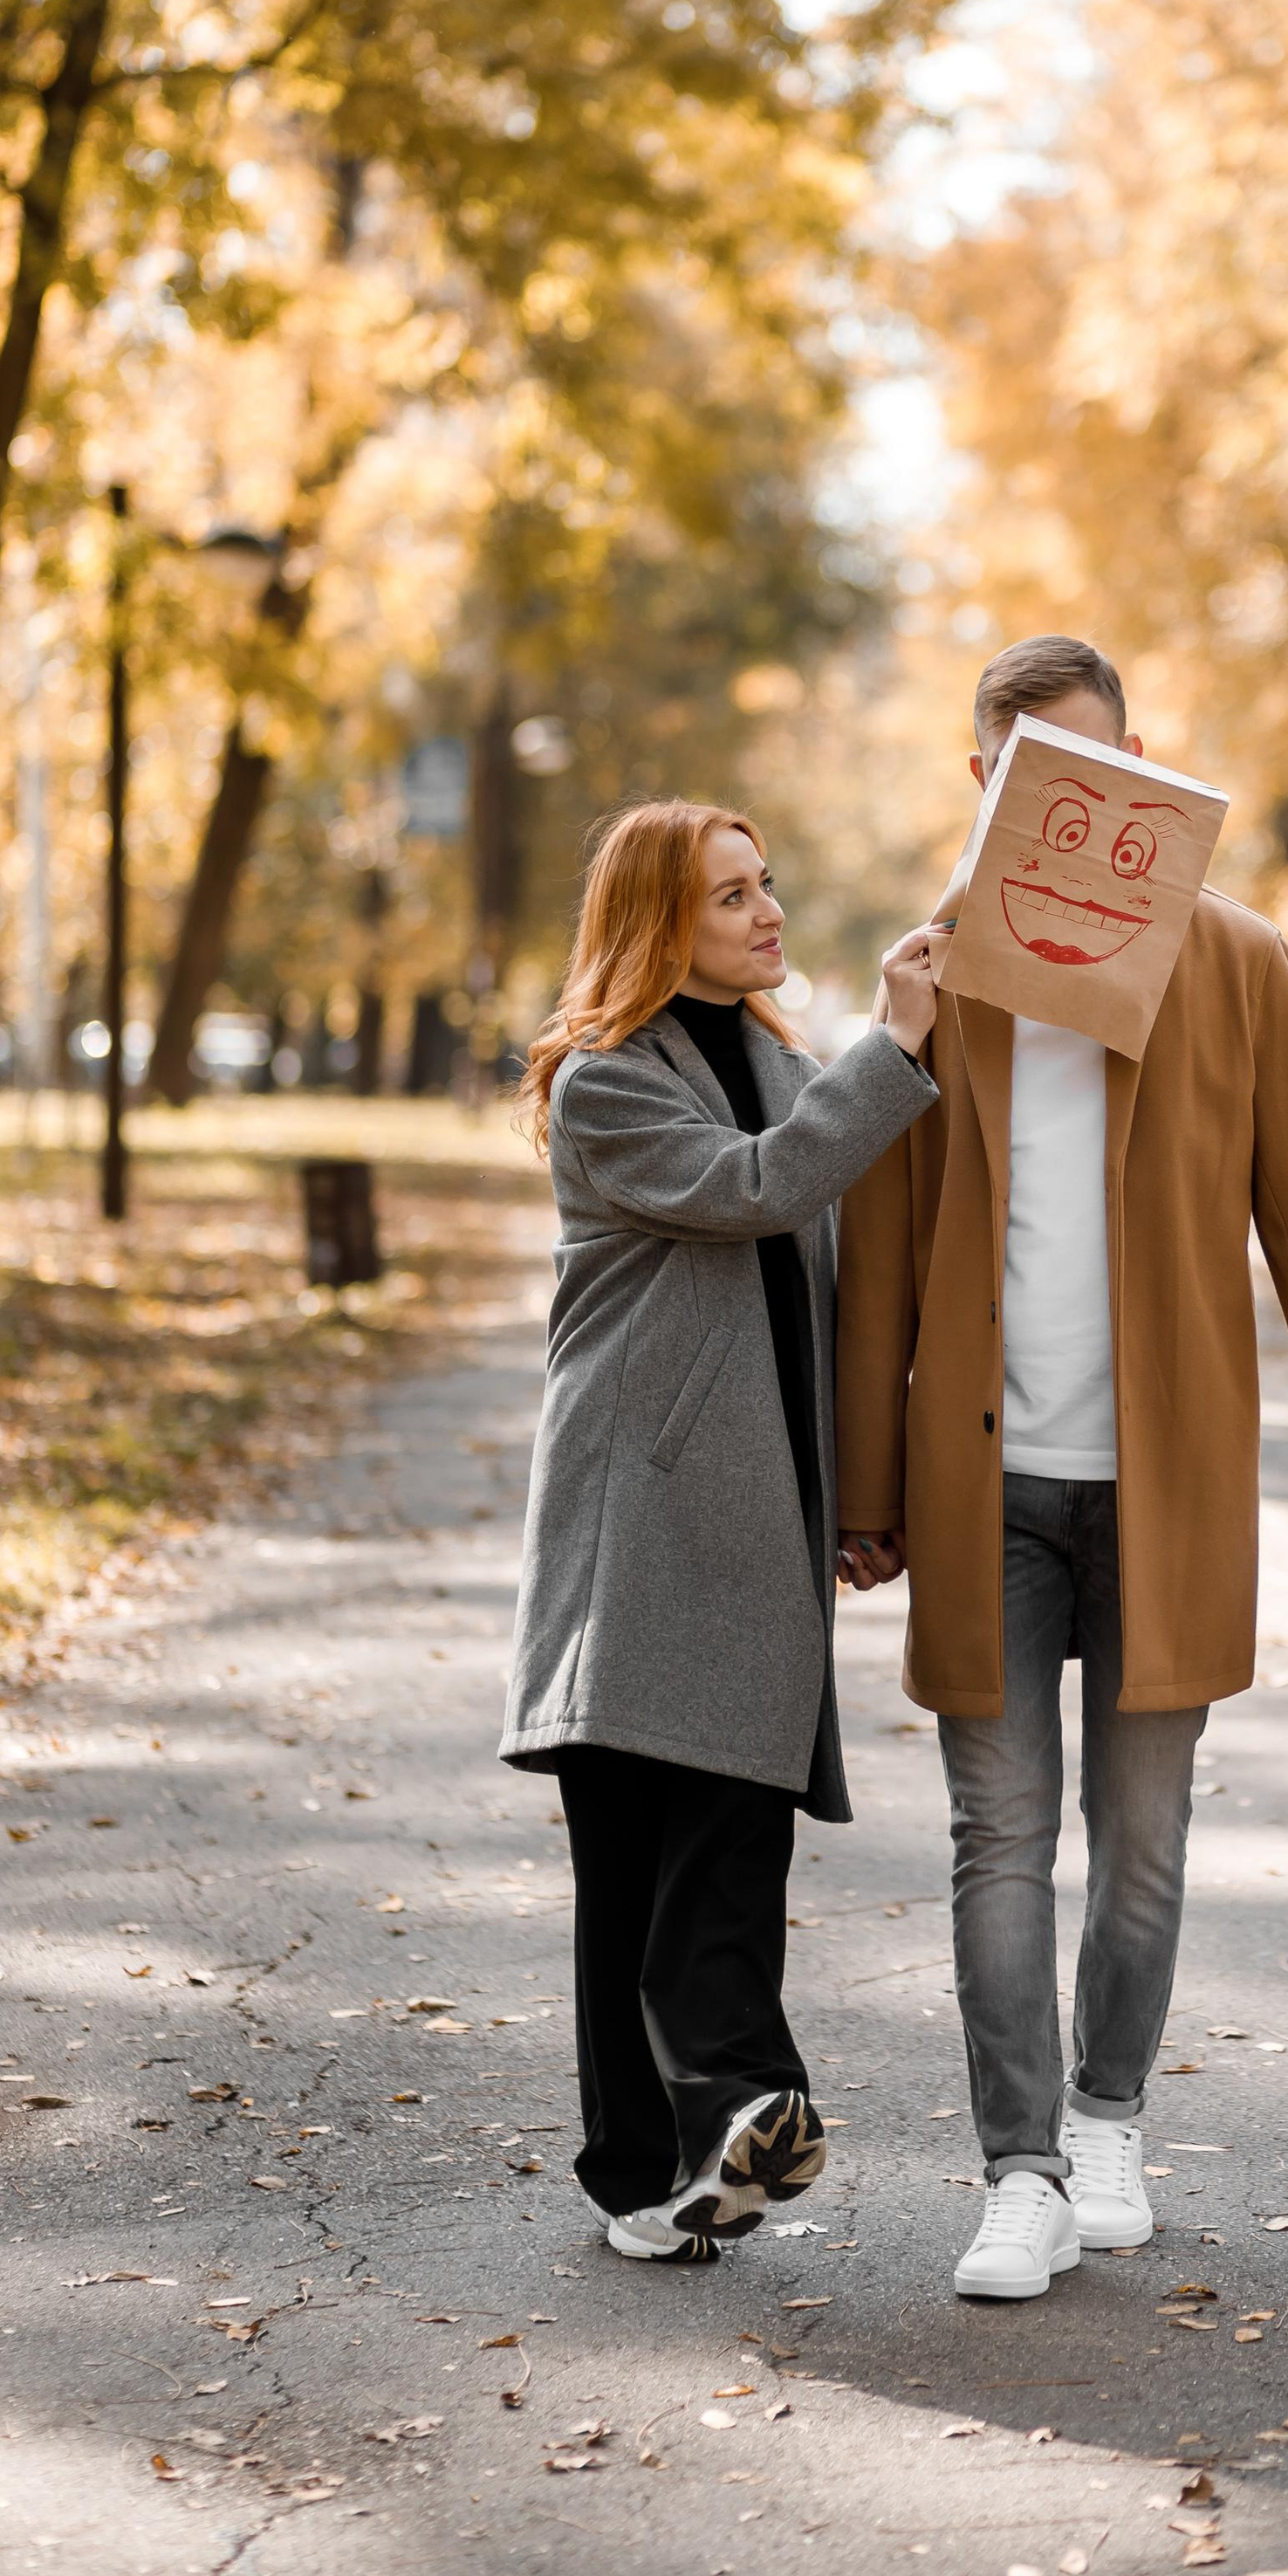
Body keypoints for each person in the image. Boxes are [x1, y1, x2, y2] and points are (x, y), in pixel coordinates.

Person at [836, 636, 1288, 2300]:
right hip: (985, 1490)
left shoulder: (1238, 966)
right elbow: (878, 1247)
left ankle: (1106, 2120)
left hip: (1168, 1492)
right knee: (998, 1839)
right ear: (985, 787)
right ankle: (1014, 2170)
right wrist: (870, 1491)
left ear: (1146, 771)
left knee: (1142, 1841)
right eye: (1036, 785)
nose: (1076, 816)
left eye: (1103, 778)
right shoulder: (937, 985)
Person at [501, 799, 941, 2264]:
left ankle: (741, 2115)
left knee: (734, 1829)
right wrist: (899, 1043)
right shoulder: (607, 1086)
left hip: (755, 1527)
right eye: (730, 897)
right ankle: (656, 2166)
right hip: (637, 1527)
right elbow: (763, 1192)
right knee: (629, 1863)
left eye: (768, 885)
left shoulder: (779, 1062)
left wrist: (850, 1502)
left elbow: (813, 1308)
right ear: (656, 926)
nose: (766, 914)